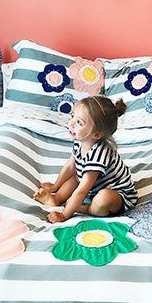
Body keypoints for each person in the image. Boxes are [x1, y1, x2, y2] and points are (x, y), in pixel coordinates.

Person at [33, 95, 138, 223]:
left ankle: (86, 209)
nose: (71, 123)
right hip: (94, 188)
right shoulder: (81, 141)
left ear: (96, 135)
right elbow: (70, 166)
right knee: (76, 177)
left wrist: (64, 215)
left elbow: (82, 191)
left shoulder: (98, 155)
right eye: (73, 116)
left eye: (79, 122)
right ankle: (57, 199)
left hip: (119, 196)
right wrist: (55, 186)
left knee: (104, 198)